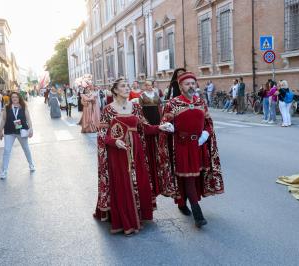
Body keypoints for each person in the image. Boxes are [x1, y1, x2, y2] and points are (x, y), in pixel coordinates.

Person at [94, 78, 173, 235]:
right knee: (123, 184)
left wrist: (160, 127)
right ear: (115, 90)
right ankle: (125, 219)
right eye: (123, 86)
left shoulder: (136, 107)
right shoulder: (108, 110)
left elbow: (145, 128)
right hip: (117, 154)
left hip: (136, 151)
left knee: (139, 181)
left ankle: (139, 214)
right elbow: (103, 135)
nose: (126, 88)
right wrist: (114, 141)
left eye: (127, 86)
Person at [158, 72, 224, 228]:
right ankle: (198, 214)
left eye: (193, 83)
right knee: (188, 178)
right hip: (181, 146)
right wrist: (170, 127)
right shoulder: (173, 103)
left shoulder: (201, 102)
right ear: (180, 86)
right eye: (187, 84)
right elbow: (164, 123)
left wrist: (205, 135)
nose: (191, 86)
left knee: (195, 177)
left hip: (199, 146)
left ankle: (182, 202)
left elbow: (208, 123)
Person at [0, 92, 35, 179]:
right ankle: (4, 171)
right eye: (13, 97)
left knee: (26, 148)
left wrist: (31, 129)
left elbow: (28, 119)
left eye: (16, 97)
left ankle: (31, 164)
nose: (14, 99)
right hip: (9, 131)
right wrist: (0, 131)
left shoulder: (23, 107)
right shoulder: (6, 108)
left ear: (19, 98)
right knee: (7, 150)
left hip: (21, 131)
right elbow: (3, 120)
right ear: (11, 99)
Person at [139, 80, 162, 196]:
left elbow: (159, 106)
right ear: (144, 86)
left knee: (158, 133)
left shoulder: (156, 94)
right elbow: (140, 110)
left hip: (156, 116)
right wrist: (144, 121)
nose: (148, 86)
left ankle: (158, 151)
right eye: (146, 85)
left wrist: (162, 118)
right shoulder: (142, 96)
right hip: (147, 117)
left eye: (150, 85)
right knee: (150, 133)